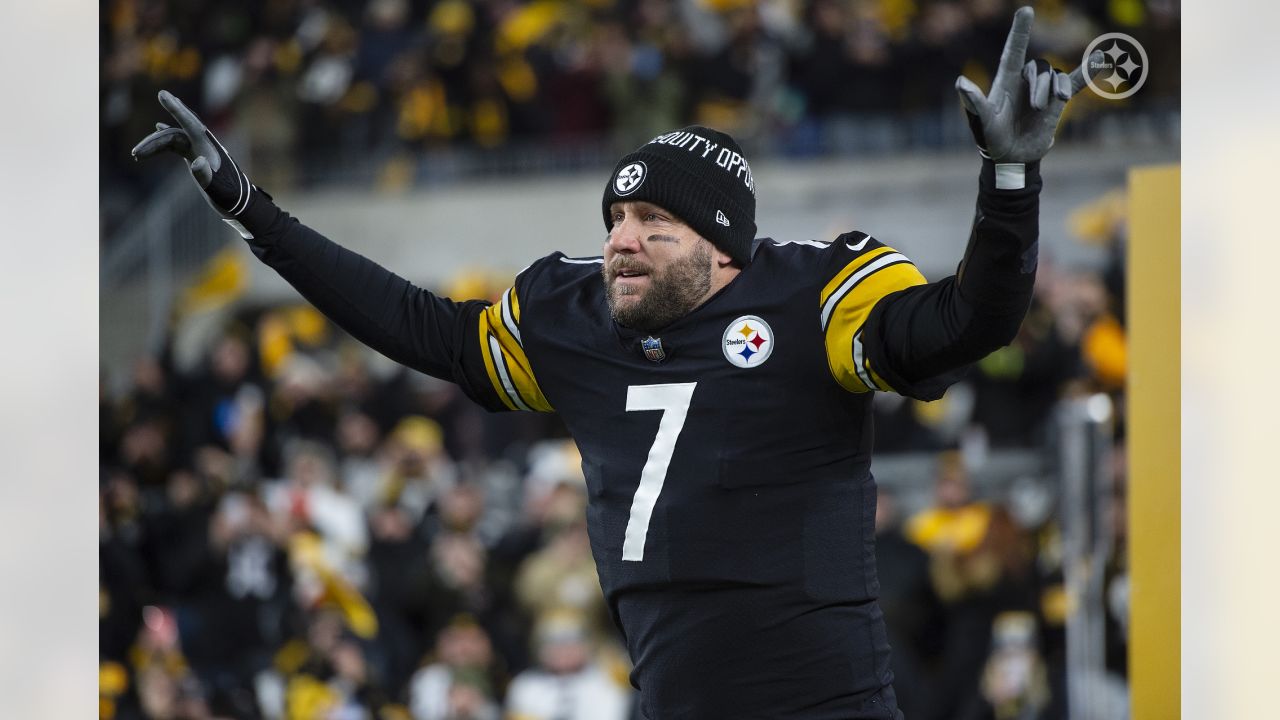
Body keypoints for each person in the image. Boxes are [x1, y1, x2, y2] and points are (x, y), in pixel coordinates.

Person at [133, 8, 1096, 718]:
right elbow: (417, 326)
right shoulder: (573, 316)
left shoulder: (812, 297)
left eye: (652, 223)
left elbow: (971, 321)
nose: (620, 240)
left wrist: (1009, 185)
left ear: (724, 247)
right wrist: (253, 211)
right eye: (615, 219)